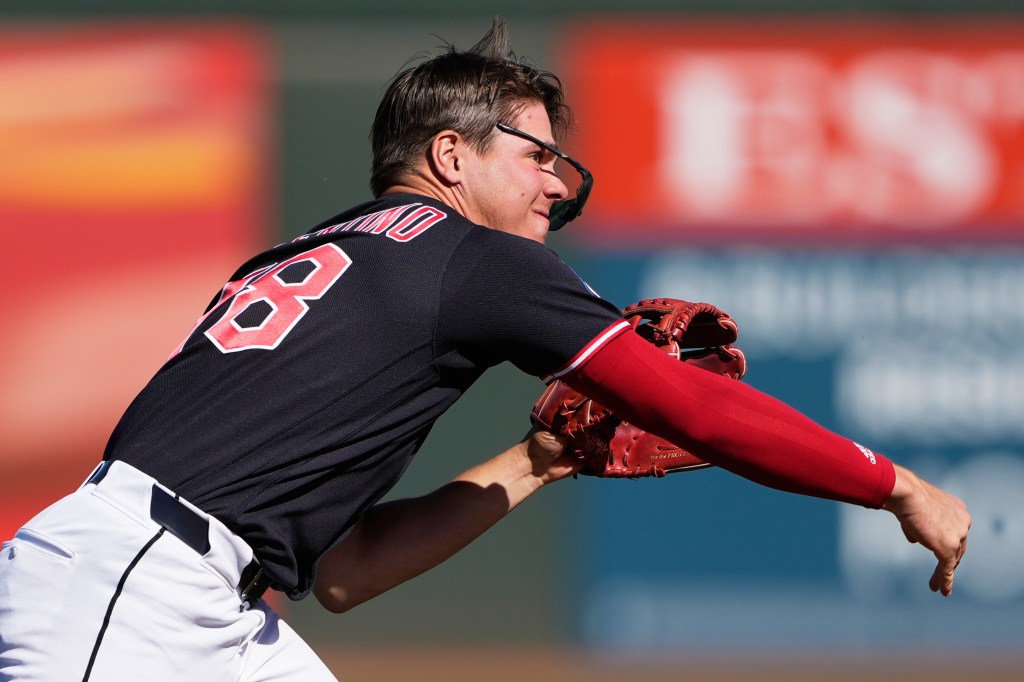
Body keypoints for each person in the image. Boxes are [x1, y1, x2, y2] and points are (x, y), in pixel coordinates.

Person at [0, 18, 969, 681]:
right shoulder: (472, 259)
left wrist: (537, 462)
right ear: (451, 157)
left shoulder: (320, 253)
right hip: (131, 586)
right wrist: (892, 483)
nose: (557, 185)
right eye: (535, 156)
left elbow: (345, 574)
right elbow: (697, 407)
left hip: (208, 595)